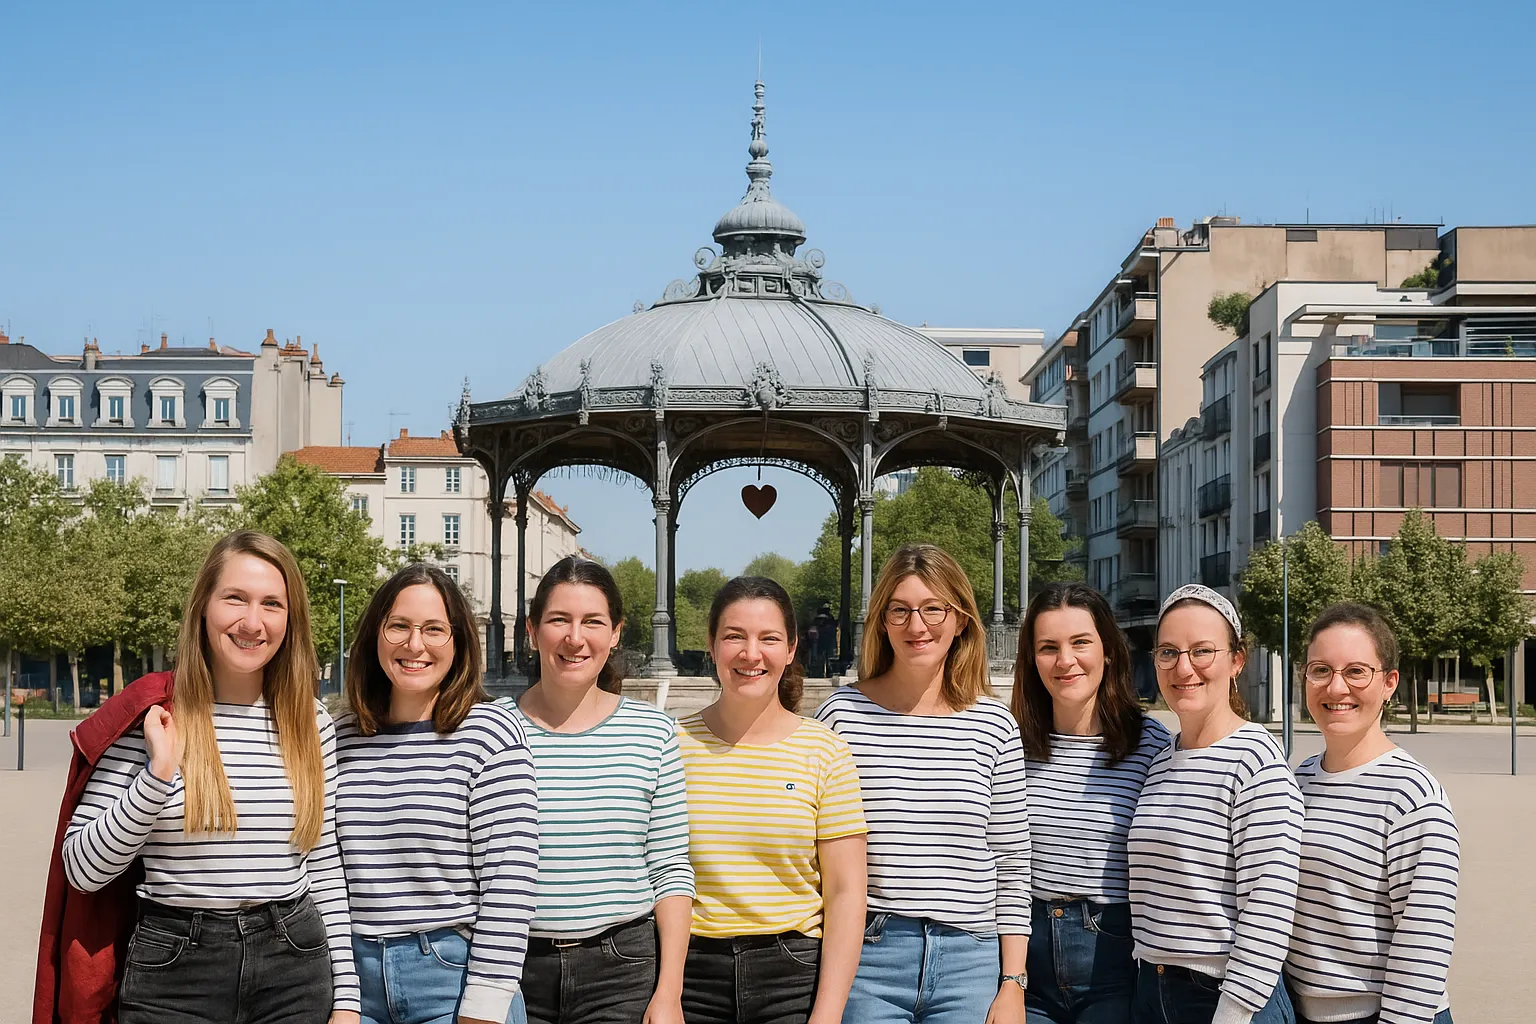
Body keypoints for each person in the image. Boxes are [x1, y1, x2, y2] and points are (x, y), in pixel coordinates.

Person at [59, 530, 358, 1024]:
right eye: (235, 599)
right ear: (203, 606)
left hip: (294, 963)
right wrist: (156, 776)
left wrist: (347, 1000)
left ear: (291, 619)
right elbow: (83, 871)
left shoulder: (311, 720)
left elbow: (324, 866)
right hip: (175, 970)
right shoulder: (152, 716)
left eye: (272, 604)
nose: (253, 622)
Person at [815, 544, 1030, 1024]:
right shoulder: (841, 717)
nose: (917, 625)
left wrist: (1013, 983)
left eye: (934, 609)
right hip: (868, 958)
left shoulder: (994, 724)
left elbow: (1014, 865)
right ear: (882, 621)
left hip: (968, 963)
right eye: (901, 610)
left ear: (960, 621)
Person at [335, 563, 539, 1024]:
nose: (414, 645)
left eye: (433, 630)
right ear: (375, 635)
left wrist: (484, 1008)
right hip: (354, 982)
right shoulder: (344, 734)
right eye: (399, 627)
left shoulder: (489, 732)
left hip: (453, 977)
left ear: (459, 642)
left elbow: (510, 881)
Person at [509, 555, 694, 1024]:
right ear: (533, 631)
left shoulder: (653, 733)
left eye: (592, 621)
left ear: (615, 633)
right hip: (511, 971)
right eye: (559, 620)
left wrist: (669, 992)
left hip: (621, 971)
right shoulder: (492, 731)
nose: (575, 637)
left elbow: (670, 867)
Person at [677, 577, 867, 1024]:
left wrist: (828, 1014)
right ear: (711, 643)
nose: (751, 653)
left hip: (792, 976)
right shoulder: (672, 745)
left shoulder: (826, 752)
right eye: (734, 636)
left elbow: (845, 893)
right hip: (690, 976)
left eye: (769, 638)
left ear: (792, 647)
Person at [1128, 584, 1302, 1024]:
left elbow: (1269, 906)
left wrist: (1234, 1012)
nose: (1183, 667)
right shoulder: (1162, 758)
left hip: (1224, 997)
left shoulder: (1255, 761)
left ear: (1236, 660)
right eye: (1169, 652)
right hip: (1153, 988)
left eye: (1202, 651)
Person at [1285, 604, 1458, 1024]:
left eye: (1356, 671)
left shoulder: (1412, 795)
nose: (1336, 687)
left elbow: (1423, 947)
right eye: (1320, 670)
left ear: (1389, 683)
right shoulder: (1298, 779)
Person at [1011, 582, 1171, 1023]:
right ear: (1032, 660)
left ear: (1108, 651)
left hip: (1115, 960)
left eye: (1080, 642)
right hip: (1026, 956)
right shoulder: (1010, 744)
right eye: (1048, 647)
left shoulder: (1151, 744)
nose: (1065, 661)